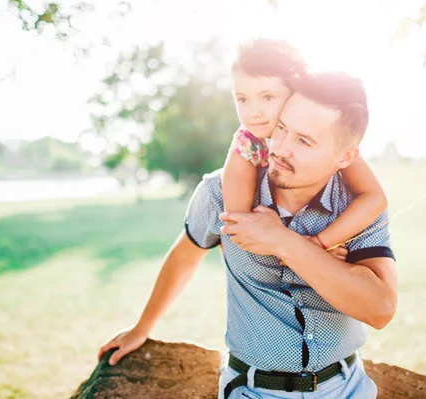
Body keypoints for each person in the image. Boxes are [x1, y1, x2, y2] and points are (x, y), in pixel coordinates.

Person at [99, 70, 397, 398]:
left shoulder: (358, 207)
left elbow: (380, 309)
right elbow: (185, 256)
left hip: (345, 388)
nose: (280, 148)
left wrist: (285, 242)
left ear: (346, 157)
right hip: (252, 391)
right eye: (282, 128)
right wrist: (142, 328)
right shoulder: (219, 192)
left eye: (304, 141)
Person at [223, 37, 387, 251]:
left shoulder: (331, 144)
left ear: (295, 94)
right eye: (242, 99)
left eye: (268, 97)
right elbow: (237, 225)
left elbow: (374, 198)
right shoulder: (246, 143)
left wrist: (321, 244)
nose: (253, 112)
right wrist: (283, 243)